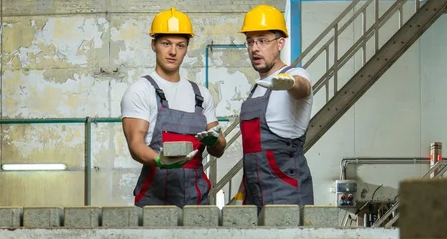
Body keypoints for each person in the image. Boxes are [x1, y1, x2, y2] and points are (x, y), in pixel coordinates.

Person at [121, 6, 226, 207]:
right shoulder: (141, 90)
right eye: (166, 43)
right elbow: (136, 145)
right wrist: (160, 161)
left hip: (197, 201)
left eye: (180, 45)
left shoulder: (201, 95)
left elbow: (219, 149)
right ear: (154, 45)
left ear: (187, 48)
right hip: (155, 201)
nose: (172, 52)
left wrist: (215, 141)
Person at [237, 5, 314, 211]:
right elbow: (253, 155)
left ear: (280, 43)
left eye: (262, 40)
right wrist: (241, 192)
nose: (255, 48)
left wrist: (289, 83)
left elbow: (303, 88)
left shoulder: (296, 74)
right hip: (254, 194)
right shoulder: (256, 89)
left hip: (286, 193)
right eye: (250, 41)